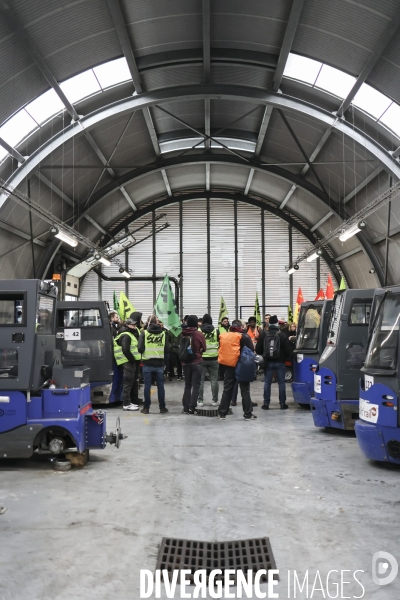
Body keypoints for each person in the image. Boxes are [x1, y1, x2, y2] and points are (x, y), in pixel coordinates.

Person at [217, 319, 256, 421]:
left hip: (229, 365)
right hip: (242, 366)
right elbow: (251, 350)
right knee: (245, 390)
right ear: (241, 326)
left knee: (227, 389)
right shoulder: (244, 336)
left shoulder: (226, 335)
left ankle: (222, 413)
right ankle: (247, 414)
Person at [256, 315, 292, 410]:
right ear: (277, 323)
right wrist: (284, 359)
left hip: (268, 362)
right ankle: (282, 404)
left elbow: (258, 349)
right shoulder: (282, 335)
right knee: (281, 383)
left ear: (269, 323)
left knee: (267, 383)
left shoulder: (264, 334)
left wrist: (264, 355)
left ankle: (266, 404)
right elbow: (288, 350)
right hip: (280, 362)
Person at [138, 315, 169, 414]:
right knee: (160, 386)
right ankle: (162, 408)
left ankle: (146, 408)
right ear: (157, 322)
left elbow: (140, 349)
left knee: (147, 386)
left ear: (148, 322)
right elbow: (167, 349)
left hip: (147, 363)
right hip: (159, 364)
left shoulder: (144, 333)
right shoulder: (163, 334)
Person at [113, 318, 140, 411]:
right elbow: (126, 349)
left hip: (126, 361)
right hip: (127, 361)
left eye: (135, 325)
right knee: (128, 382)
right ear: (127, 325)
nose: (134, 326)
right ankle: (126, 404)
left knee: (129, 382)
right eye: (132, 325)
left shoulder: (126, 333)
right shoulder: (126, 335)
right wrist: (132, 360)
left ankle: (128, 402)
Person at [181, 315, 206, 414]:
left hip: (185, 363)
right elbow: (204, 348)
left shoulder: (182, 333)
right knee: (196, 386)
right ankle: (192, 407)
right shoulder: (199, 334)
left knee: (187, 385)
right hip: (197, 362)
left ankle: (185, 407)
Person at [197, 314, 219, 407]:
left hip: (201, 359)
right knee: (214, 380)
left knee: (200, 380)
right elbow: (220, 343)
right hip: (214, 358)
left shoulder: (199, 331)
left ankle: (200, 400)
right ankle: (214, 401)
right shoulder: (216, 331)